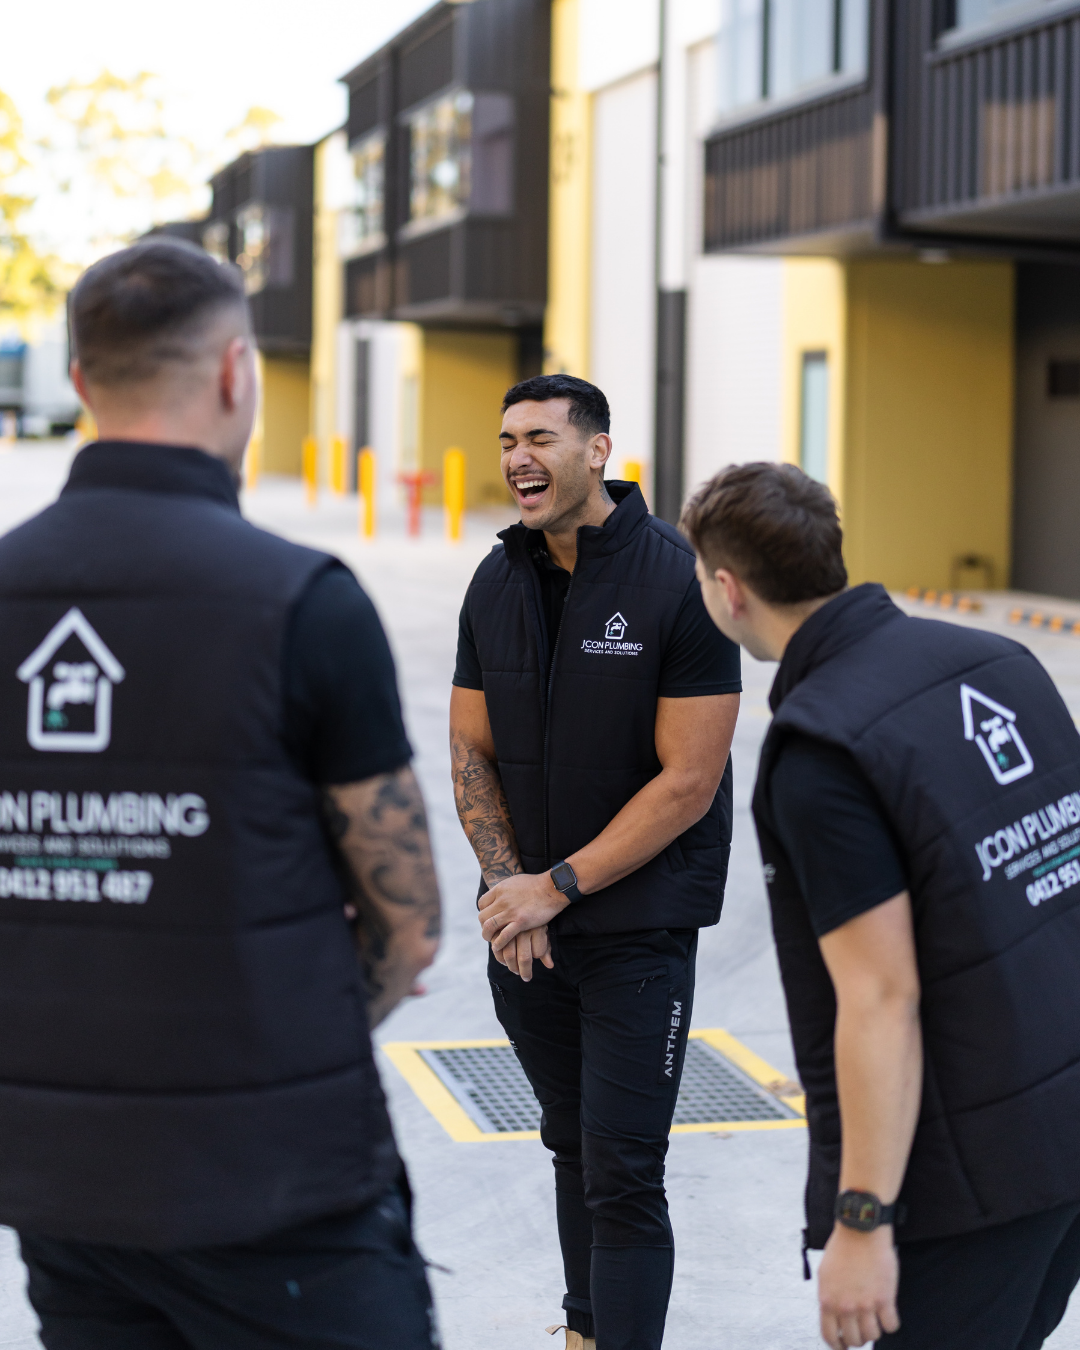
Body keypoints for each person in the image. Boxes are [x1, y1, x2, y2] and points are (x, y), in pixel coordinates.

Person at [0, 238, 442, 1350]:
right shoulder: (301, 603)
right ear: (237, 371)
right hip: (279, 1184)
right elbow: (410, 918)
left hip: (63, 1189)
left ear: (85, 382)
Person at [682, 460, 1080, 1350]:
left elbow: (879, 998)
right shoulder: (994, 658)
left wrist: (861, 1223)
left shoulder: (824, 749)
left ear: (727, 589)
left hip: (970, 1182)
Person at [449, 374, 742, 1350]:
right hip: (527, 929)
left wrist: (555, 888)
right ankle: (586, 1331)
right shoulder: (494, 581)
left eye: (538, 437)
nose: (517, 458)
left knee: (623, 1167)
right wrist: (508, 892)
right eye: (505, 441)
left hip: (635, 934)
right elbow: (469, 749)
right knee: (568, 1145)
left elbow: (689, 781)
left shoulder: (677, 580)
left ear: (597, 450)